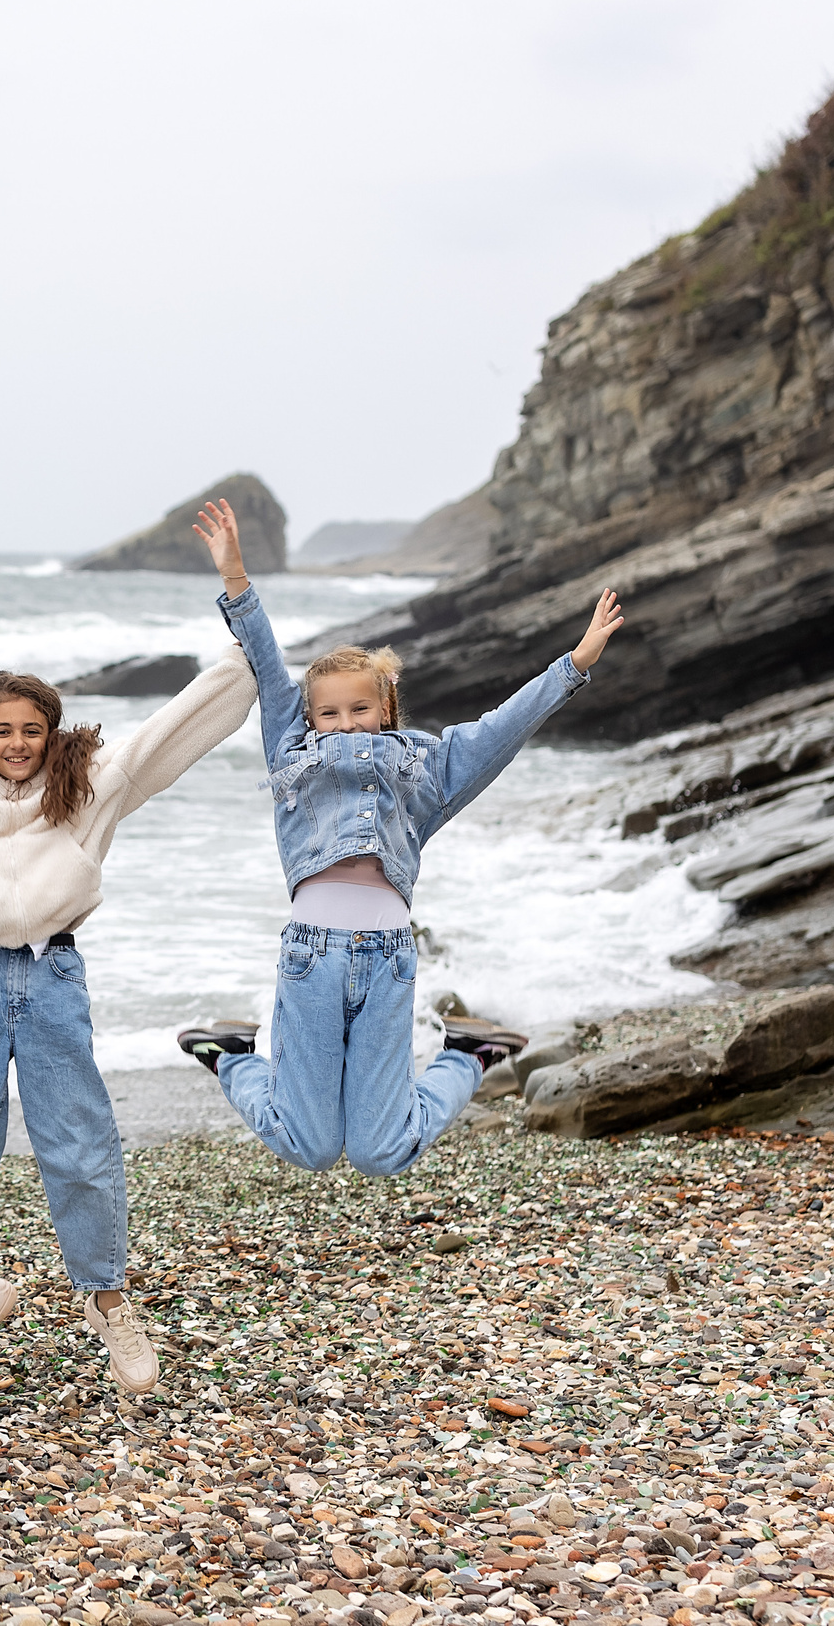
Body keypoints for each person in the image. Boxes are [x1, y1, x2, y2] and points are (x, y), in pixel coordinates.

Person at [0, 609, 256, 1394]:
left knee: (80, 1151)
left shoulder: (88, 785)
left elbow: (170, 730)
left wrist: (246, 656)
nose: (18, 743)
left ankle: (108, 1303)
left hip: (55, 983)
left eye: (32, 728)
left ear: (51, 733)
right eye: (2, 730)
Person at [187, 496, 624, 1176]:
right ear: (310, 718)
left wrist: (573, 665)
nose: (345, 722)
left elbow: (501, 729)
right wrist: (237, 577)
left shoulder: (426, 766)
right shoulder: (291, 751)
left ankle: (468, 1054)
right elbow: (270, 667)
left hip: (389, 960)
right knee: (308, 1145)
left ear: (386, 706)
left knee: (377, 1151)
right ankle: (233, 1057)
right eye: (329, 712)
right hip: (311, 959)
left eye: (360, 707)